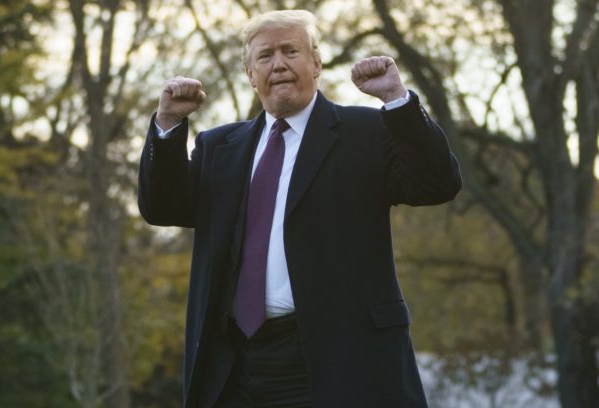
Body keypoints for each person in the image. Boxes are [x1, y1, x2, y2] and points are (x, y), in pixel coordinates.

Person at [138, 9, 461, 408]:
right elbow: (162, 207)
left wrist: (396, 101)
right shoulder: (218, 148)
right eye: (265, 56)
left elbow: (437, 184)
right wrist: (168, 125)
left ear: (317, 62)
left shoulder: (365, 132)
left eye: (291, 51)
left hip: (335, 359)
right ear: (250, 74)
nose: (278, 64)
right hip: (234, 366)